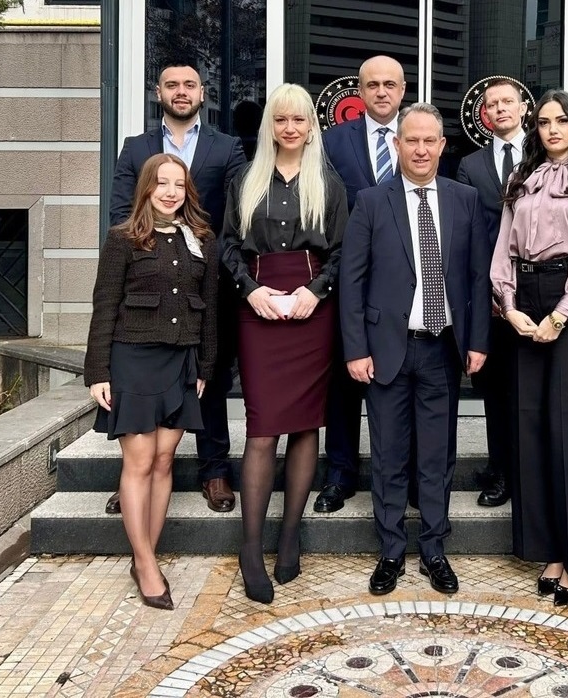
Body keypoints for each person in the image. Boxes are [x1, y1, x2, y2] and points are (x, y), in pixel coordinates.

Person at [339, 103, 491, 596]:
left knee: (437, 456)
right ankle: (389, 551)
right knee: (387, 455)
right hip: (386, 349)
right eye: (412, 140)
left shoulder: (465, 199)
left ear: (442, 146)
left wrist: (478, 340)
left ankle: (433, 549)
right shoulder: (370, 201)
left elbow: (478, 276)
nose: (421, 149)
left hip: (442, 349)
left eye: (429, 141)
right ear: (397, 144)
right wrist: (355, 349)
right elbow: (351, 282)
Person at [220, 83, 348, 604]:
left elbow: (342, 252)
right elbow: (227, 247)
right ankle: (251, 548)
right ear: (269, 126)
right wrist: (251, 292)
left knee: (304, 426)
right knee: (262, 429)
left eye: (299, 120)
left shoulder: (328, 182)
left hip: (312, 309)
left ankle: (290, 535)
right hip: (259, 306)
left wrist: (314, 293)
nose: (290, 128)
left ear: (311, 127)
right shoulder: (245, 180)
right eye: (281, 119)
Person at [106, 63, 247, 516]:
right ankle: (136, 475)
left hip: (204, 280)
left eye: (189, 85)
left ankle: (215, 469)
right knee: (140, 389)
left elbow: (237, 214)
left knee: (210, 375)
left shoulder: (227, 147)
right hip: (148, 281)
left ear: (202, 93)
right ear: (159, 92)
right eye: (172, 85)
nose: (181, 91)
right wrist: (149, 255)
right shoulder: (136, 148)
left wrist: (205, 258)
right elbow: (120, 212)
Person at [491, 89, 568, 607]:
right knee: (532, 428)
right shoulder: (521, 179)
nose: (552, 129)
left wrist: (562, 313)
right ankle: (548, 551)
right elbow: (503, 248)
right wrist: (508, 305)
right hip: (525, 298)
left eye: (561, 120)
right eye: (543, 122)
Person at [84, 153, 218, 610]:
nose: (170, 192)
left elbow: (210, 309)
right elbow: (105, 304)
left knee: (164, 461)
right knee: (139, 461)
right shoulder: (122, 239)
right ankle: (145, 565)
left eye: (178, 184)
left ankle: (147, 555)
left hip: (181, 361)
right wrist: (98, 371)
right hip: (133, 359)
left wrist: (205, 366)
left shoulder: (201, 240)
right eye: (161, 183)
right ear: (146, 188)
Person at [315, 55, 407, 514]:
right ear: (360, 91)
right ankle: (340, 474)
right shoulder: (332, 142)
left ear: (403, 90)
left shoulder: (421, 137)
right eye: (373, 85)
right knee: (345, 381)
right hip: (347, 277)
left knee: (401, 381)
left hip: (407, 281)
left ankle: (405, 474)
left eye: (390, 84)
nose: (382, 92)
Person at [456, 77, 526, 508]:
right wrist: (489, 290)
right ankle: (500, 471)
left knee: (530, 389)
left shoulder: (544, 155)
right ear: (484, 114)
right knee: (497, 392)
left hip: (538, 290)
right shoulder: (471, 165)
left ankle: (527, 471)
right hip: (491, 295)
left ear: (522, 108)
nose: (499, 109)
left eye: (507, 102)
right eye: (492, 104)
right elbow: (471, 232)